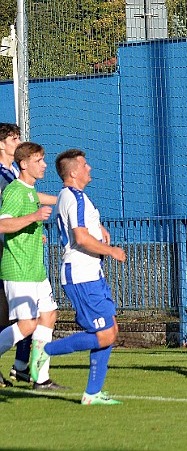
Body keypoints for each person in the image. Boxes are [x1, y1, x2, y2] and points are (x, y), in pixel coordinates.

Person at [28, 149, 127, 404]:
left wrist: (100, 228)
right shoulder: (73, 197)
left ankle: (92, 394)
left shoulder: (73, 196)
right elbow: (80, 237)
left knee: (110, 330)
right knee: (106, 335)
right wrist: (111, 250)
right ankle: (44, 351)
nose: (90, 168)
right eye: (85, 165)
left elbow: (83, 228)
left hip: (91, 272)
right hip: (81, 275)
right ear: (73, 172)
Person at [0, 142, 66, 390]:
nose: (45, 165)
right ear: (24, 164)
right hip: (18, 269)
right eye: (39, 160)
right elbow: (2, 225)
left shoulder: (30, 191)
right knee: (27, 325)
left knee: (48, 316)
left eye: (44, 159)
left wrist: (34, 231)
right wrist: (34, 218)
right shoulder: (16, 190)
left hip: (35, 270)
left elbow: (19, 227)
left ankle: (41, 377)